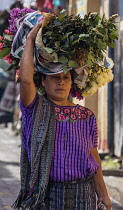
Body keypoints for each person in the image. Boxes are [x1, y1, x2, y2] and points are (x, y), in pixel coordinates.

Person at [12, 23, 112, 210]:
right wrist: (31, 40)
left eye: (66, 77)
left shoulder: (85, 115)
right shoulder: (35, 109)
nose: (61, 82)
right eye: (54, 77)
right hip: (47, 195)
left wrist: (103, 194)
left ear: (71, 82)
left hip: (84, 194)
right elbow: (25, 79)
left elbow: (93, 156)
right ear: (43, 81)